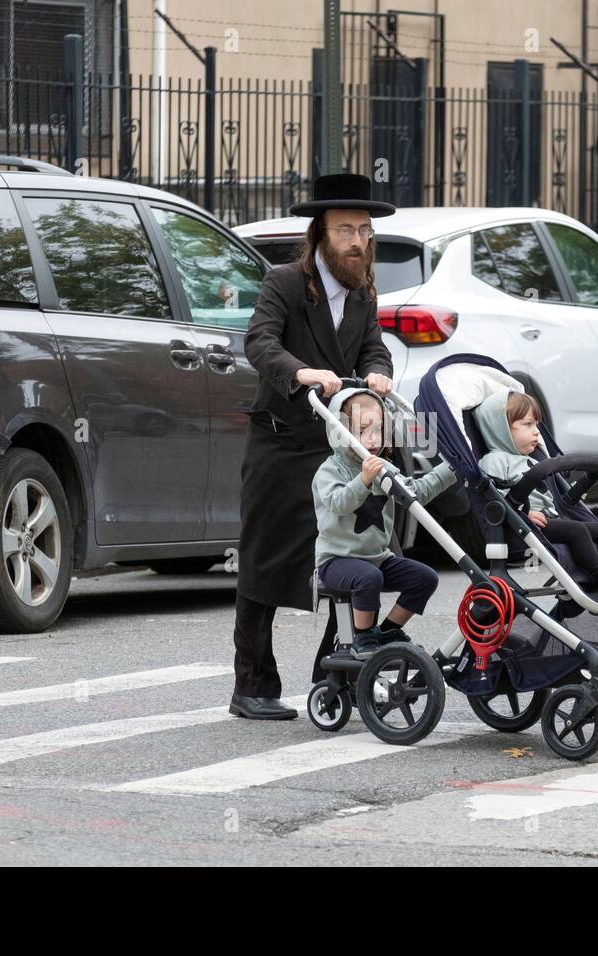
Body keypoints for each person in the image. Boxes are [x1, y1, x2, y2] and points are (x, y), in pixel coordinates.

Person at [230, 173, 397, 720]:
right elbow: (259, 341)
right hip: (279, 443)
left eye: (364, 231)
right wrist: (301, 373)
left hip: (336, 447)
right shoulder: (284, 281)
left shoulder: (363, 291)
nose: (357, 241)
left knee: (350, 556)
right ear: (320, 234)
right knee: (263, 562)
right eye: (346, 229)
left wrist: (377, 375)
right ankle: (252, 685)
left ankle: (336, 674)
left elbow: (374, 348)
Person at [474, 389, 598, 606]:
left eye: (536, 425)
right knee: (577, 530)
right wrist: (523, 513)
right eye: (527, 425)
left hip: (551, 519)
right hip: (524, 526)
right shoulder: (494, 461)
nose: (536, 432)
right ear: (501, 430)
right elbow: (495, 499)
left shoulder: (532, 460)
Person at [312, 389, 457, 659]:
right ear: (339, 432)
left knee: (424, 578)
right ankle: (363, 637)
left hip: (377, 558)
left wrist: (450, 470)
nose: (372, 439)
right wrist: (363, 480)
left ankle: (388, 631)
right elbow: (339, 503)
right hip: (336, 560)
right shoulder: (330, 470)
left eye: (378, 430)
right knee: (369, 578)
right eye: (363, 430)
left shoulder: (383, 467)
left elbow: (417, 493)